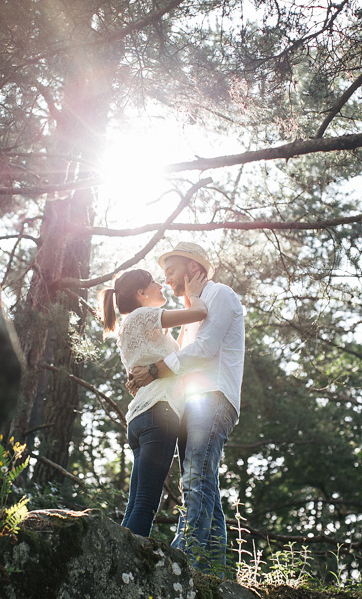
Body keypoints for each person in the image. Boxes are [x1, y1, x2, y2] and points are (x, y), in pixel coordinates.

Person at [126, 241, 245, 575]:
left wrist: (154, 370)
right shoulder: (192, 311)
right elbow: (175, 359)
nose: (167, 280)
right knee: (203, 481)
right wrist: (143, 373)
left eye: (171, 271)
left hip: (215, 398)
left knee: (195, 478)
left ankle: (184, 561)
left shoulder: (219, 294)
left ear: (193, 267)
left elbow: (205, 349)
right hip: (193, 403)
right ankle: (213, 573)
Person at [99, 267, 209, 537]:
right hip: (159, 412)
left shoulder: (133, 326)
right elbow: (201, 313)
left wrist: (185, 302)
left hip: (140, 418)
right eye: (154, 283)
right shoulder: (143, 315)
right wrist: (192, 295)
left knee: (136, 503)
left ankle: (120, 564)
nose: (161, 285)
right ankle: (132, 571)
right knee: (147, 503)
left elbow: (178, 350)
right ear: (141, 293)